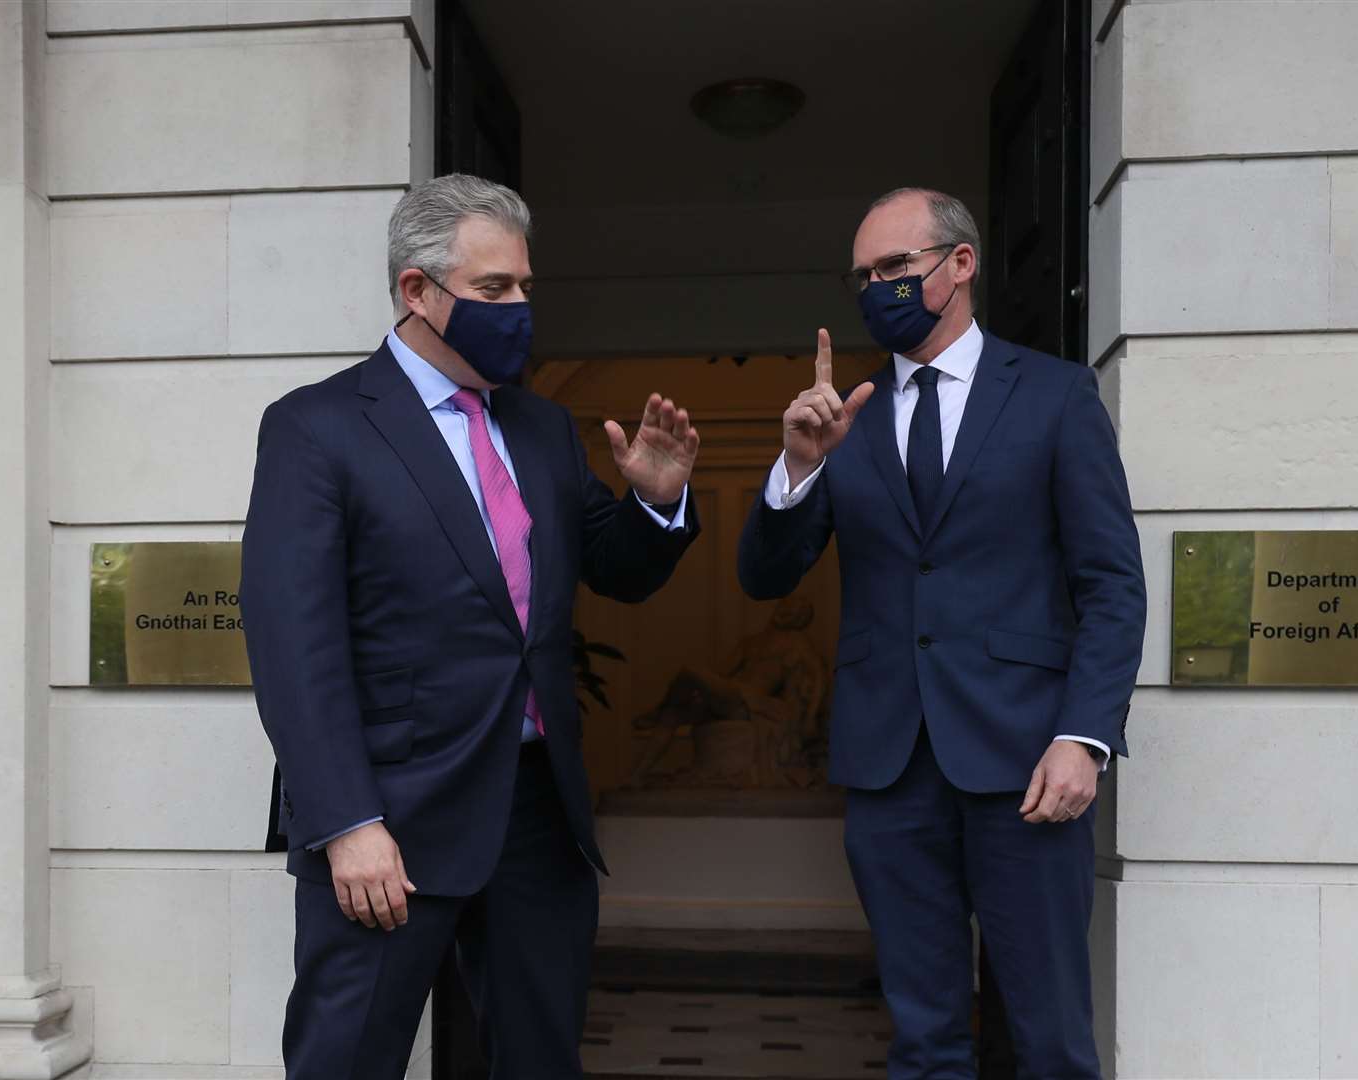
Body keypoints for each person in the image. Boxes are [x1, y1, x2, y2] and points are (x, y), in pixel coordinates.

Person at [240, 174, 701, 1080]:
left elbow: (616, 570)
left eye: (525, 287)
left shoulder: (543, 428)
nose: (520, 308)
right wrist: (346, 821)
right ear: (418, 290)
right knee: (348, 1060)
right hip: (391, 820)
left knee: (540, 1059)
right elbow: (294, 645)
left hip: (538, 812)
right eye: (495, 290)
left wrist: (656, 500)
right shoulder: (317, 428)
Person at [738, 187, 1145, 1078]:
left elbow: (1111, 584)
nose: (875, 286)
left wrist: (1084, 737)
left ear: (959, 264)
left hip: (1027, 763)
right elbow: (764, 577)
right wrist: (797, 467)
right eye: (863, 275)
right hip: (890, 769)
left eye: (895, 267)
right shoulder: (844, 417)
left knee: (1048, 1037)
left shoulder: (1054, 395)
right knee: (922, 1039)